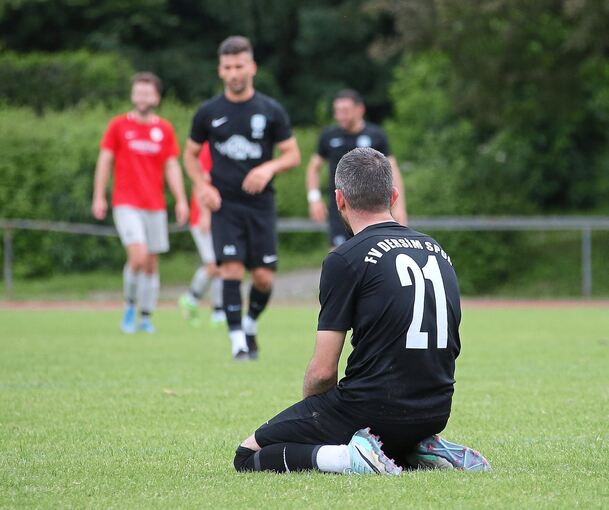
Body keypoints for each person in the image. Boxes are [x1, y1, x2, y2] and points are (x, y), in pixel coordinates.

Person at [234, 147, 490, 475]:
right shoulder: (436, 249)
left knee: (247, 455)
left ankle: (353, 458)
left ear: (339, 199)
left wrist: (315, 413)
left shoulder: (344, 258)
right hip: (435, 410)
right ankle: (418, 449)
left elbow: (324, 372)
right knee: (375, 426)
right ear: (393, 196)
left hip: (373, 410)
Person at [183, 35, 300, 360]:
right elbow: (189, 156)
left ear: (252, 67)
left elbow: (292, 155)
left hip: (260, 205)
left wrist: (268, 168)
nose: (234, 72)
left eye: (240, 66)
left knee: (263, 278)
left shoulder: (270, 110)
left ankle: (249, 325)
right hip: (225, 205)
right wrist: (202, 188)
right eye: (228, 67)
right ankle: (237, 344)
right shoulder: (208, 112)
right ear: (220, 71)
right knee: (231, 269)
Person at [92, 72, 189, 334]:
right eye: (137, 92)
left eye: (147, 93)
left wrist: (180, 200)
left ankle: (146, 317)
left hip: (155, 205)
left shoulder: (164, 129)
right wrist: (99, 195)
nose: (141, 97)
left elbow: (171, 167)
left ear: (156, 97)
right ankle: (129, 306)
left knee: (150, 263)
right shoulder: (118, 126)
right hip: (126, 203)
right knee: (137, 256)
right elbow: (105, 161)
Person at [306, 89, 407, 248]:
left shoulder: (376, 135)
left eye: (345, 111)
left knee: (374, 255)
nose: (340, 116)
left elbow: (393, 170)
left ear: (360, 110)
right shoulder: (329, 136)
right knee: (338, 256)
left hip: (373, 208)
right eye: (337, 111)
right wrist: (314, 199)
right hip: (340, 210)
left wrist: (400, 207)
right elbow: (313, 168)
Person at [179, 142, 225, 328]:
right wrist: (205, 214)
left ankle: (218, 310)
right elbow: (200, 184)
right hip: (204, 217)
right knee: (215, 264)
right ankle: (191, 298)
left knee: (222, 264)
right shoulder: (207, 147)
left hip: (221, 217)